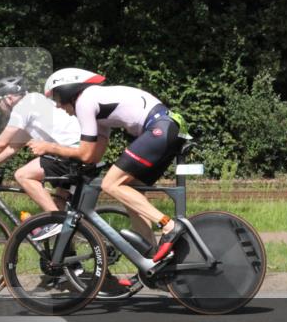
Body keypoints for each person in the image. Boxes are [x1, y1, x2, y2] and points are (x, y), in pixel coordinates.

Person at [27, 68, 187, 262]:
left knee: (110, 184)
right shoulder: (99, 109)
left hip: (159, 128)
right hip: (167, 128)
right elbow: (92, 156)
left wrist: (49, 147)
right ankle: (154, 260)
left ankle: (169, 226)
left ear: (69, 90)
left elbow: (85, 153)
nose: (58, 105)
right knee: (130, 192)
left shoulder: (84, 101)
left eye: (58, 98)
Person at [0, 76, 81, 239]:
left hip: (68, 152)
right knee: (59, 207)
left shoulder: (23, 107)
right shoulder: (35, 102)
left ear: (8, 98)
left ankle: (57, 221)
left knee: (22, 175)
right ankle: (71, 262)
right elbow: (13, 146)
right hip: (75, 151)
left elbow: (1, 142)